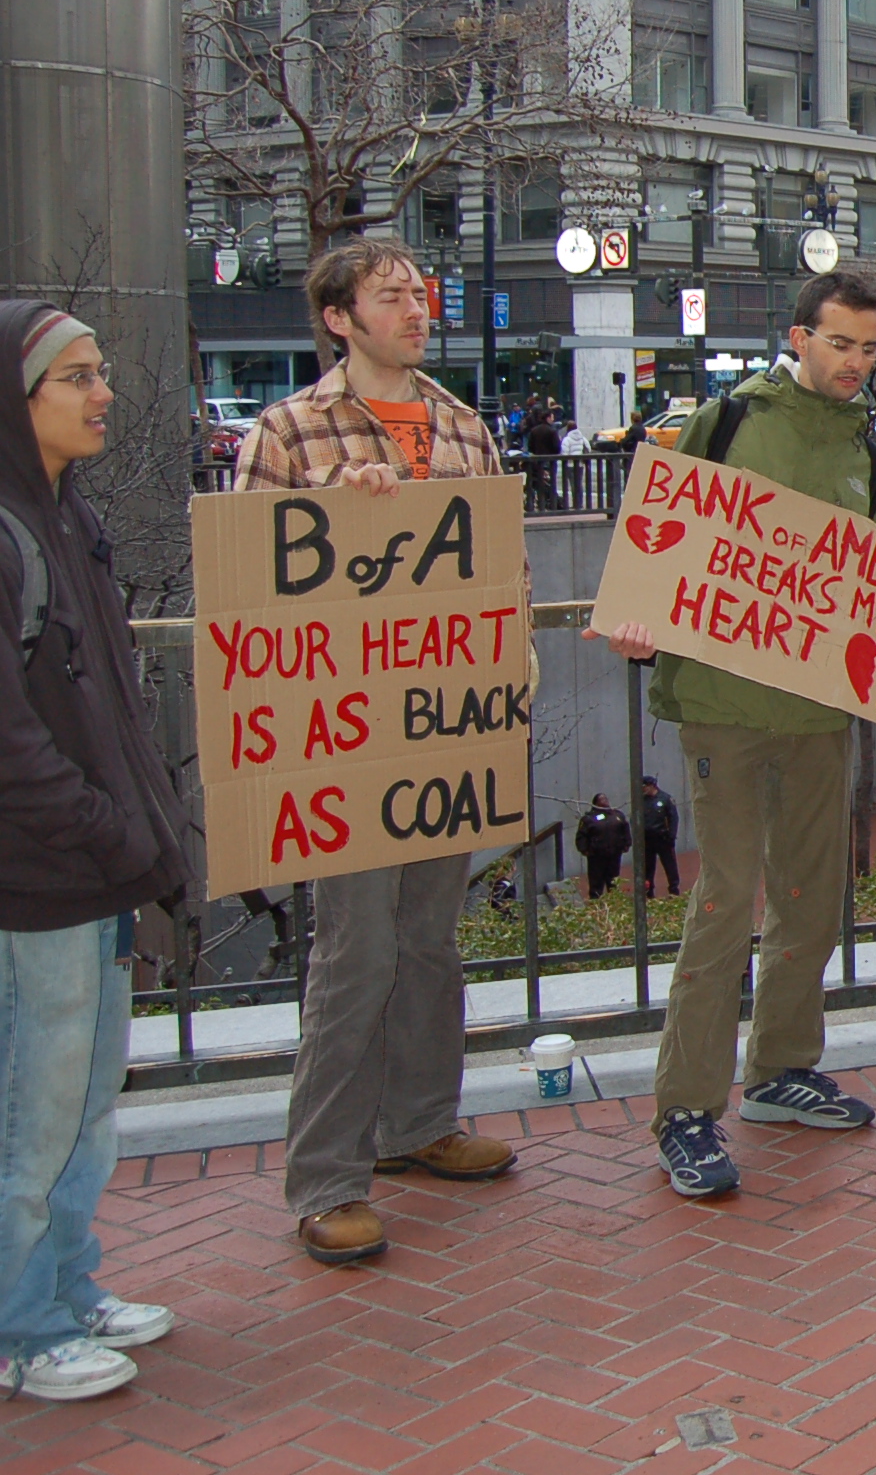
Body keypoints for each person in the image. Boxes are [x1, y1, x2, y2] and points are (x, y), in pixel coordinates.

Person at [594, 270, 876, 1195]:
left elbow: (871, 586)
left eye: (869, 347)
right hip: (723, 706)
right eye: (840, 343)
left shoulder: (867, 450)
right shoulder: (724, 423)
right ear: (799, 339)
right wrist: (636, 621)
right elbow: (657, 540)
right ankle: (686, 1110)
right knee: (725, 901)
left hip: (816, 713)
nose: (856, 361)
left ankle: (779, 1069)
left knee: (810, 895)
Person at [238, 241, 520, 1265]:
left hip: (443, 726)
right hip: (342, 740)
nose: (415, 308)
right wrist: (326, 513)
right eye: (391, 295)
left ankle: (419, 1122)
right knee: (353, 951)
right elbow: (245, 583)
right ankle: (326, 1177)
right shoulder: (287, 430)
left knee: (430, 938)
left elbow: (499, 568)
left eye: (419, 293)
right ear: (338, 317)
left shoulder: (463, 426)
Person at [0, 307, 187, 1399]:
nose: (103, 392)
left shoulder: (68, 518)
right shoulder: (12, 535)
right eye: (76, 377)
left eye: (100, 371)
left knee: (83, 1102)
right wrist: (100, 823)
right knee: (33, 1110)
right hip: (42, 879)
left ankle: (68, 1286)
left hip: (97, 865)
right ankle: (22, 1327)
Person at [574, 795, 631, 900]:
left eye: (606, 798)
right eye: (602, 799)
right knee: (596, 881)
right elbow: (581, 835)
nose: (605, 801)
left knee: (613, 880)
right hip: (597, 856)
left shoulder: (617, 815)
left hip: (614, 853)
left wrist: (627, 844)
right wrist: (585, 850)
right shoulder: (589, 819)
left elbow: (625, 829)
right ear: (596, 802)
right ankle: (595, 901)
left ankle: (614, 900)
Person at [637, 775, 681, 895]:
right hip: (648, 839)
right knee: (648, 867)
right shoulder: (642, 801)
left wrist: (671, 835)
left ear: (652, 786)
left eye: (644, 786)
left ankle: (674, 889)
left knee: (669, 865)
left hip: (663, 837)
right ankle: (649, 890)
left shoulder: (665, 799)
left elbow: (673, 818)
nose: (643, 789)